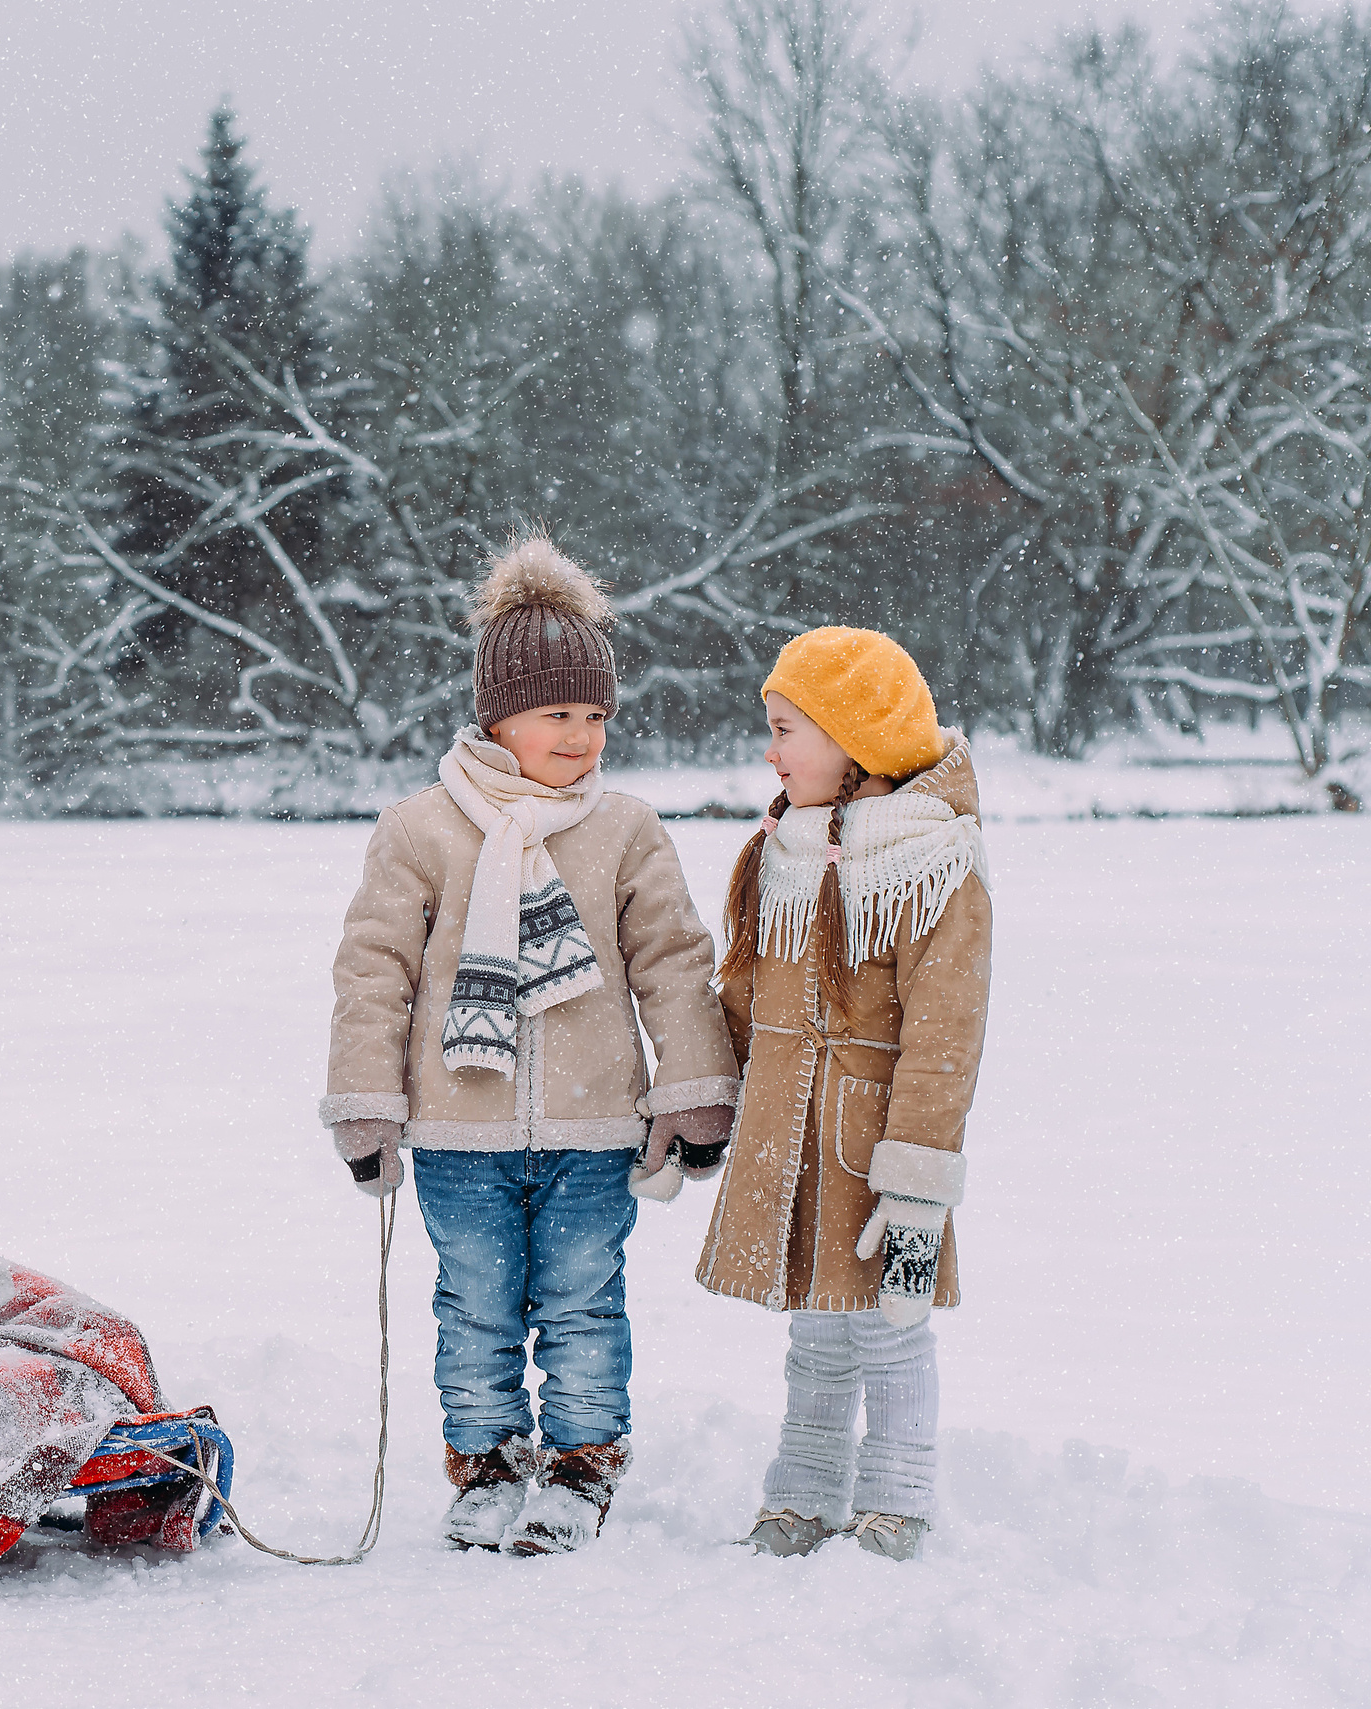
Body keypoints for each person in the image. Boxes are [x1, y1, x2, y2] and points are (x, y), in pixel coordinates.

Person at [321, 533, 741, 1554]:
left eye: (595, 716)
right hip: (458, 1126)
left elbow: (673, 964)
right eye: (558, 713)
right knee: (473, 1306)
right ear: (496, 713)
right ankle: (487, 1462)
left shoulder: (624, 830)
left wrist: (691, 1093)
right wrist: (366, 1103)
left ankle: (580, 1463)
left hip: (596, 1124)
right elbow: (373, 970)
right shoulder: (421, 829)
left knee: (584, 1302)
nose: (582, 735)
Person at [695, 628, 993, 1563]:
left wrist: (917, 1177)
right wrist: (700, 1102)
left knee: (892, 1328)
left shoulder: (935, 866)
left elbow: (945, 1038)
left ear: (854, 742)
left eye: (788, 729)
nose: (771, 751)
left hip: (880, 1157)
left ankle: (898, 1496)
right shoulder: (779, 853)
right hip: (792, 1151)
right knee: (818, 1333)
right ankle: (804, 1494)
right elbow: (741, 996)